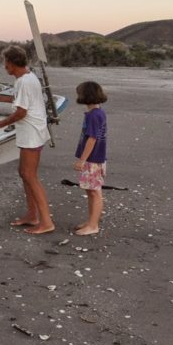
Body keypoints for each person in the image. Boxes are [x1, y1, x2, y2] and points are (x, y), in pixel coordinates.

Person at [0, 45, 55, 234]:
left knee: (30, 176)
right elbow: (21, 100)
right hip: (33, 132)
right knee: (24, 173)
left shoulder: (24, 81)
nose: (4, 65)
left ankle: (46, 222)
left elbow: (21, 112)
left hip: (32, 134)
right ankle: (32, 216)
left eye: (5, 61)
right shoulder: (27, 77)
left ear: (12, 63)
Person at [72, 81, 108, 236]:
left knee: (94, 192)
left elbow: (92, 139)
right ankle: (91, 221)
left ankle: (93, 225)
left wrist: (82, 160)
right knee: (91, 191)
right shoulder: (97, 113)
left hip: (92, 159)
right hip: (96, 159)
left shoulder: (94, 116)